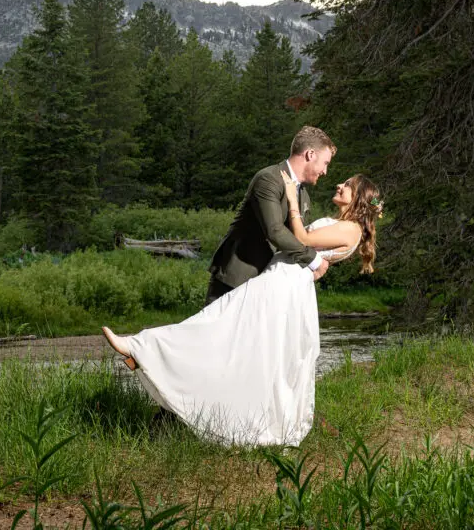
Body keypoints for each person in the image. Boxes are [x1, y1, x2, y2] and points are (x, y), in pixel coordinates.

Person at [101, 173, 384, 447]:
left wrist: (292, 201)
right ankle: (147, 353)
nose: (338, 184)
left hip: (282, 285)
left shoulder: (351, 228)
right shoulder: (346, 226)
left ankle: (141, 347)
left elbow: (302, 240)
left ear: (357, 198)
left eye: (347, 185)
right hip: (281, 281)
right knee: (226, 330)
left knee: (218, 323)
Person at [205, 127, 337, 306]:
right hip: (236, 278)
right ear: (310, 154)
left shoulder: (304, 195)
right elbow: (274, 231)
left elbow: (297, 237)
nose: (325, 171)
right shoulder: (268, 179)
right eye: (325, 163)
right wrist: (313, 259)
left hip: (267, 285)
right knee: (214, 333)